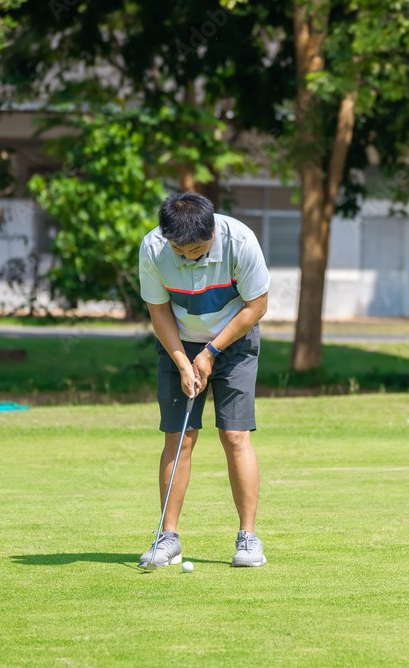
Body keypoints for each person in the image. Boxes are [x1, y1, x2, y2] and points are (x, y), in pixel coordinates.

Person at [137, 192, 270, 568]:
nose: (187, 256)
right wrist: (182, 361)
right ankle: (168, 538)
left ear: (212, 231)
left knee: (235, 435)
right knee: (179, 437)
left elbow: (257, 306)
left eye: (195, 248)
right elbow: (159, 310)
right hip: (178, 341)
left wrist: (211, 352)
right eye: (179, 250)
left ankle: (248, 539)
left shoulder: (241, 242)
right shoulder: (153, 248)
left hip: (235, 340)